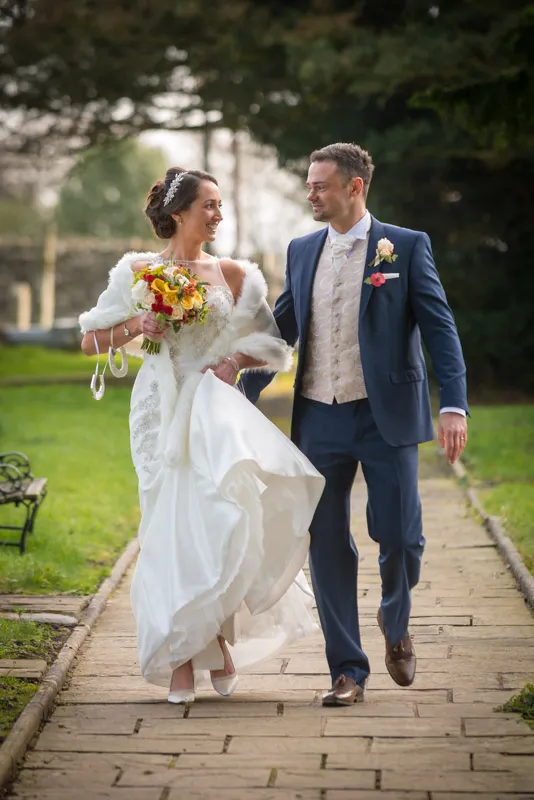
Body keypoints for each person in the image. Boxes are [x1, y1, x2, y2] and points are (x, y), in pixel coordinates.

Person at [79, 167, 325, 704]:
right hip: (158, 408)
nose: (218, 215)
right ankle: (183, 658)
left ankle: (212, 638)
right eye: (209, 205)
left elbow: (275, 348)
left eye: (220, 205)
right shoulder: (138, 271)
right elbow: (90, 340)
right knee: (169, 528)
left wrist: (233, 361)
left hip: (214, 411)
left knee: (218, 524)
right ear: (178, 213)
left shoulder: (235, 274)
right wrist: (135, 329)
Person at [240, 143, 469, 706]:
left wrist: (454, 404)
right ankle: (347, 669)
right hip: (319, 416)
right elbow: (284, 326)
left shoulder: (406, 247)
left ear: (354, 188)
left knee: (401, 537)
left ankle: (396, 622)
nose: (311, 195)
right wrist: (239, 384)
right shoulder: (300, 249)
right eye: (310, 185)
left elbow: (440, 330)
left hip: (386, 415)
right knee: (325, 542)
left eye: (320, 186)